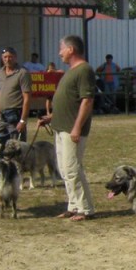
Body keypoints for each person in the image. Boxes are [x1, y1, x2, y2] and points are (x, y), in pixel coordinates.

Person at [37, 35, 96, 221]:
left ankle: (85, 209)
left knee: (72, 168)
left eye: (61, 48)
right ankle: (73, 205)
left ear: (71, 49)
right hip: (61, 128)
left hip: (72, 129)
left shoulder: (84, 70)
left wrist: (77, 127)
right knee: (64, 169)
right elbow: (70, 101)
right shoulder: (70, 71)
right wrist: (50, 117)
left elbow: (87, 101)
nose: (59, 52)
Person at [0, 47, 32, 143]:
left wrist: (23, 120)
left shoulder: (22, 73)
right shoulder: (0, 72)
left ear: (15, 58)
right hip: (2, 117)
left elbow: (27, 98)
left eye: (10, 57)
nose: (7, 59)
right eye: (5, 57)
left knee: (16, 147)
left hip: (15, 116)